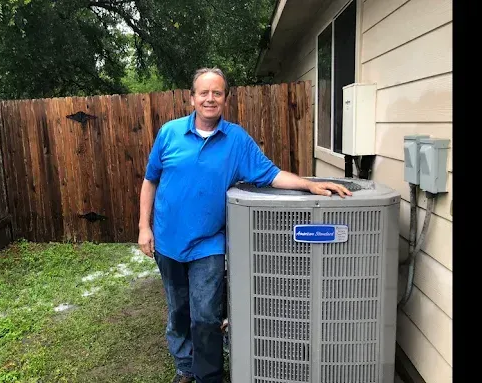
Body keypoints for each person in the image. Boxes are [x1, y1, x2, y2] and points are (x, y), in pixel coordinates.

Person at [137, 67, 351, 383]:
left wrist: (308, 185)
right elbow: (150, 180)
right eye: (204, 93)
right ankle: (184, 365)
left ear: (225, 98)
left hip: (208, 244)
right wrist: (144, 226)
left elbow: (271, 174)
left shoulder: (236, 140)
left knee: (206, 315)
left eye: (217, 92)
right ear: (192, 97)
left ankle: (208, 375)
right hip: (168, 241)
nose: (210, 98)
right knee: (179, 310)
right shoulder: (169, 133)